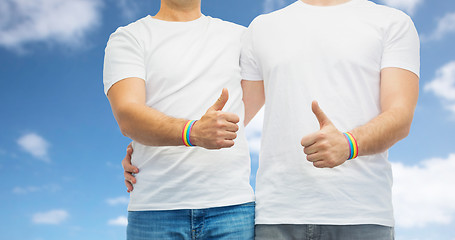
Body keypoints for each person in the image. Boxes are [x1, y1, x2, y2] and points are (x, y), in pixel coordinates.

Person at [126, 0, 420, 239]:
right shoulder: (262, 28)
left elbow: (400, 116)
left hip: (362, 215)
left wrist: (349, 143)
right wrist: (143, 148)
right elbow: (232, 117)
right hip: (276, 216)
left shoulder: (392, 23)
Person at [103, 0, 255, 239]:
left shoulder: (241, 38)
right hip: (155, 210)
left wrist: (151, 133)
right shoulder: (129, 38)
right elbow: (127, 115)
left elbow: (251, 103)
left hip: (232, 206)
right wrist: (192, 132)